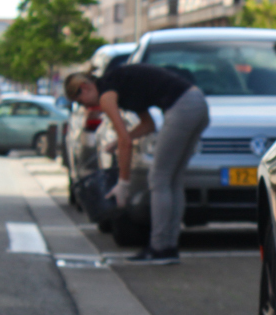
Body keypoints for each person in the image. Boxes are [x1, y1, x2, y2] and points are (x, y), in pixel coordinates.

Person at [64, 64, 209, 265]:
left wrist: (123, 183)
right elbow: (148, 125)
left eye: (81, 102)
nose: (87, 108)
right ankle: (169, 246)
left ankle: (159, 248)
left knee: (158, 178)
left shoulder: (107, 96)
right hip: (197, 103)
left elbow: (126, 143)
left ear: (85, 88)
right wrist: (119, 141)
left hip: (182, 107)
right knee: (172, 180)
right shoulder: (119, 84)